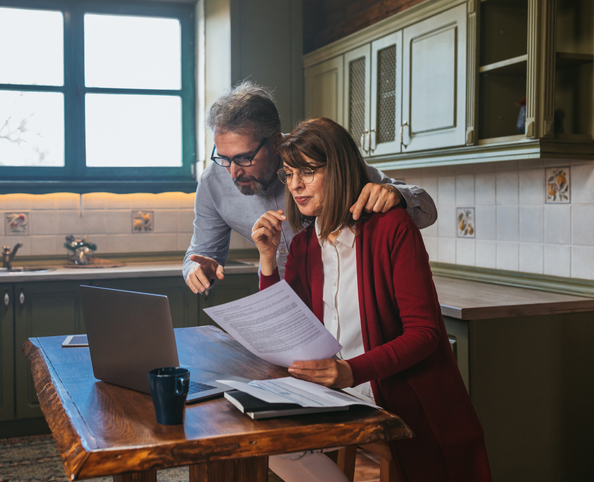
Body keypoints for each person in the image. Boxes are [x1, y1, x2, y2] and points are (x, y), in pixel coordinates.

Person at [251, 117, 492, 482]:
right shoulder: (302, 245)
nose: (296, 185)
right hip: (335, 392)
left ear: (341, 169)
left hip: (392, 392)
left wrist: (351, 371)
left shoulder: (391, 228)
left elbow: (425, 333)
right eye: (289, 173)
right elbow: (287, 331)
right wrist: (267, 261)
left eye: (308, 171)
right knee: (259, 439)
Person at [183, 81, 437, 294]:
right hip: (284, 299)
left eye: (243, 158)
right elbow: (201, 252)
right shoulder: (212, 182)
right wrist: (196, 270)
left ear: (274, 143)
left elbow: (427, 210)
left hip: (345, 294)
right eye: (223, 158)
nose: (232, 171)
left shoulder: (322, 162)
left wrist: (396, 196)